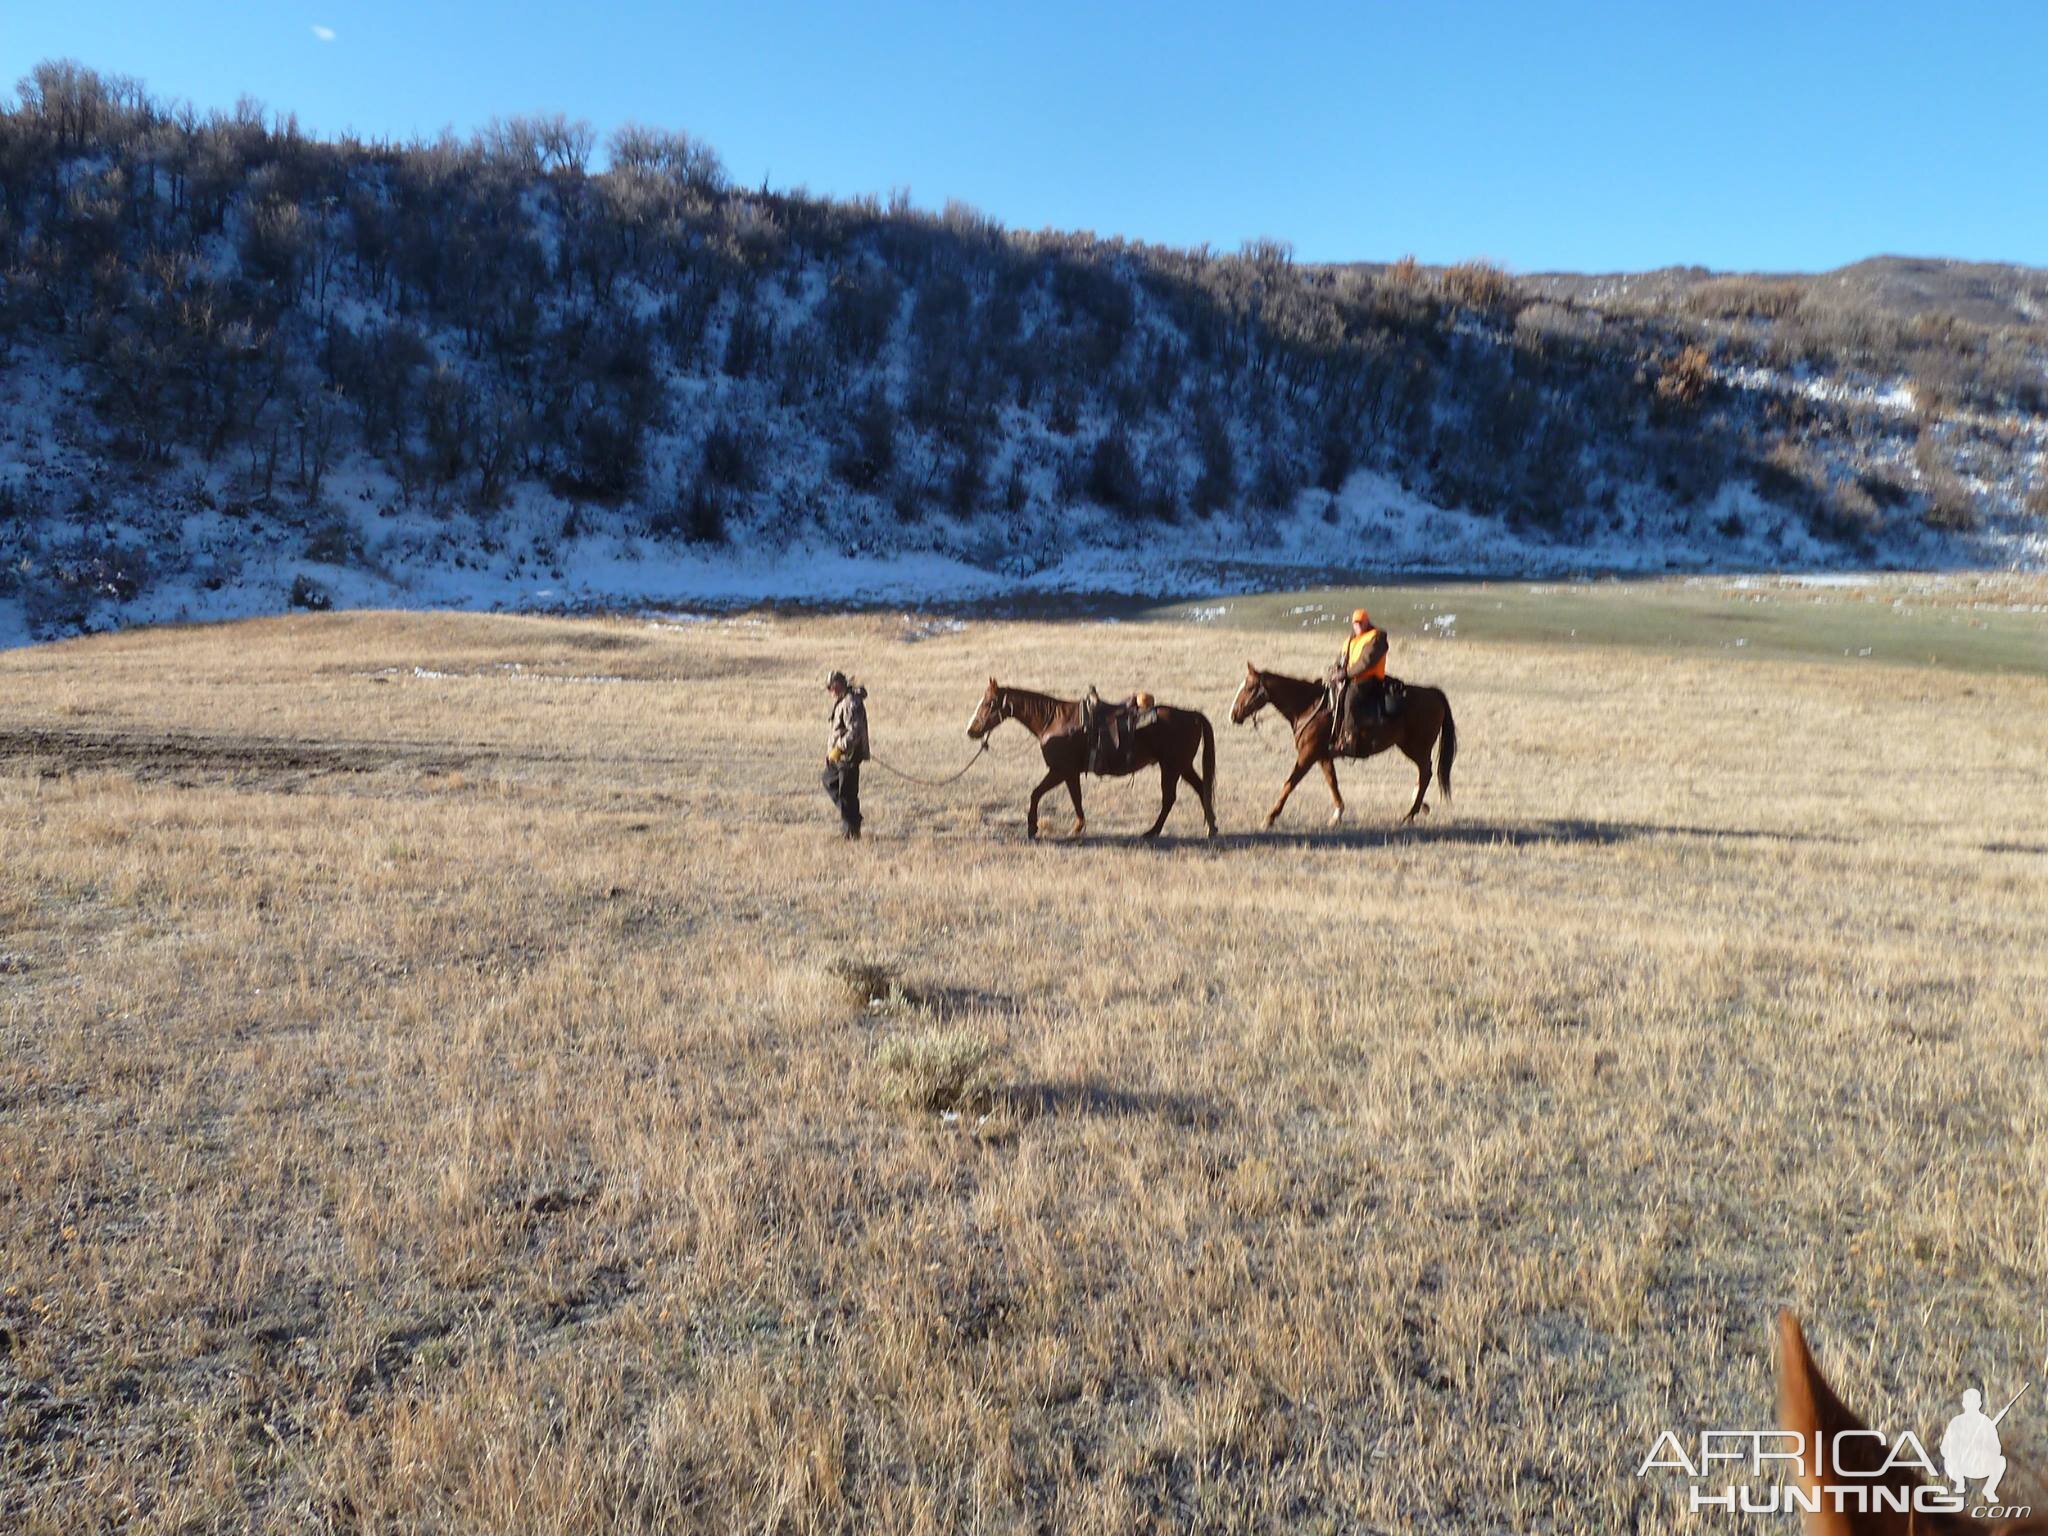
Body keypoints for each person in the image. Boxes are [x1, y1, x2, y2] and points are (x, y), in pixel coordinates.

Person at [1326, 607, 1389, 753]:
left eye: (1361, 622)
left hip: (1368, 679)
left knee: (1350, 698)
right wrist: (1335, 670)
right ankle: (1333, 733)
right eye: (1356, 623)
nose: (1358, 626)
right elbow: (1341, 658)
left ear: (1367, 622)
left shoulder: (1376, 637)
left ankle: (1350, 740)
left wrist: (1345, 674)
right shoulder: (1350, 639)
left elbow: (1366, 662)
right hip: (1350, 677)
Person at [823, 670, 869, 839]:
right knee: (829, 780)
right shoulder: (843, 701)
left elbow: (855, 731)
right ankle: (852, 821)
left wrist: (839, 748)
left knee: (847, 793)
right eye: (828, 687)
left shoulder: (850, 703)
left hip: (848, 755)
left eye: (831, 686)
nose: (830, 691)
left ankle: (851, 831)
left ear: (839, 684)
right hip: (840, 756)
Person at [1940, 1387, 2007, 1501]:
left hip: (1979, 1466)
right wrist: (1958, 1450)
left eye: (1974, 1402)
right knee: (1948, 1460)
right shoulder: (1956, 1422)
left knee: (2001, 1461)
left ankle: (1989, 1490)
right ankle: (1960, 1482)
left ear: (1979, 1404)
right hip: (1959, 1467)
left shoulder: (1986, 1423)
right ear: (1964, 1404)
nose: (1971, 1405)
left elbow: (1997, 1449)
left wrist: (1983, 1446)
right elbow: (1944, 1448)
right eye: (1969, 1402)